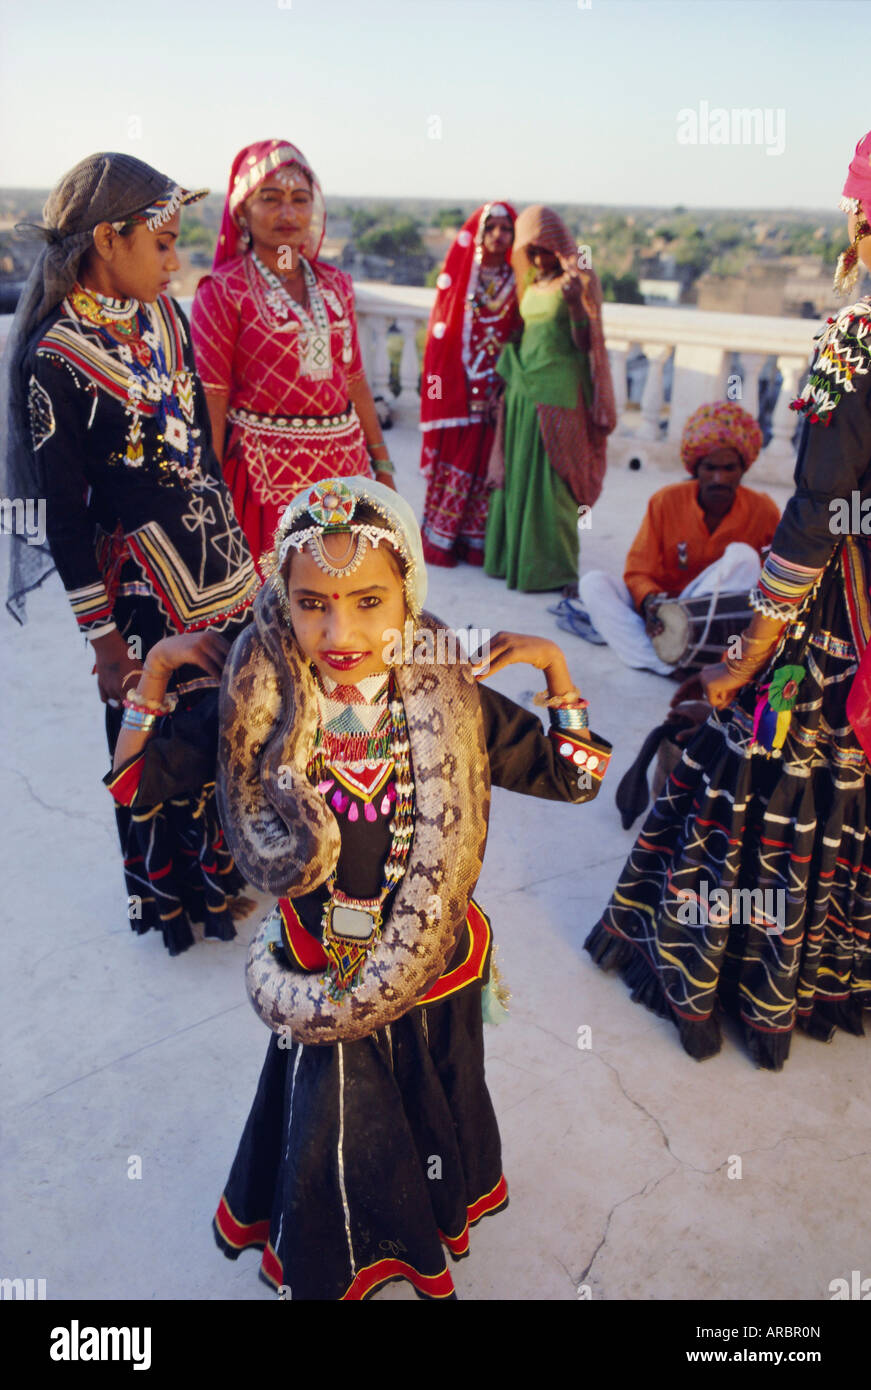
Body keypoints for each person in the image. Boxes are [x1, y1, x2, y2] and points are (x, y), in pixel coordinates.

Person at [209, 476, 613, 1300]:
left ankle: (419, 1227)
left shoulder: (454, 697)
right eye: (311, 603)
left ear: (408, 598)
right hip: (316, 961)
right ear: (281, 605)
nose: (339, 630)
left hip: (435, 966)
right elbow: (148, 783)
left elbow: (573, 783)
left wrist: (555, 669)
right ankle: (329, 1260)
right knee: (331, 1126)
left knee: (432, 1104)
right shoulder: (260, 696)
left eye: (367, 601)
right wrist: (153, 687)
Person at [584, 133, 871, 1070]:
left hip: (833, 613)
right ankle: (826, 974)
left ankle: (725, 985)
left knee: (761, 759)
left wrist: (746, 656)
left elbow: (819, 515)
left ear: (857, 222)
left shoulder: (853, 340)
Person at [1, 152, 260, 955]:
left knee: (227, 734)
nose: (175, 259)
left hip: (218, 565)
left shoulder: (167, 319)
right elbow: (64, 520)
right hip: (144, 597)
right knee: (159, 747)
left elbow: (199, 453)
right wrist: (104, 641)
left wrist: (240, 553)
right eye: (162, 243)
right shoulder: (57, 360)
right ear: (108, 240)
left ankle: (225, 882)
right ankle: (171, 902)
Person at [191, 139, 394, 569]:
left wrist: (383, 466)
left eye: (300, 200)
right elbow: (212, 395)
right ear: (242, 211)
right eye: (270, 200)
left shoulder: (336, 284)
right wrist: (208, 489)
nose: (288, 213)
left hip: (345, 472)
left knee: (347, 595)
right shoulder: (223, 291)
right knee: (276, 608)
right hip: (263, 479)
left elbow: (355, 379)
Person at [577, 401, 781, 673]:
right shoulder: (665, 502)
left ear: (743, 469)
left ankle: (676, 652)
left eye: (729, 468)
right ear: (695, 469)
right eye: (710, 468)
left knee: (742, 557)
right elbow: (637, 572)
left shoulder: (763, 510)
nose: (719, 478)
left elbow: (774, 579)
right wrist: (652, 603)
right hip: (663, 611)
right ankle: (665, 661)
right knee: (593, 584)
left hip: (711, 620)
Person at [484, 205, 616, 595]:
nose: (540, 257)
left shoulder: (579, 281)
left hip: (560, 394)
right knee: (518, 477)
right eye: (532, 250)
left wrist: (576, 303)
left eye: (546, 249)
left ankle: (551, 570)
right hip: (524, 389)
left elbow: (584, 343)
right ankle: (511, 560)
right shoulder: (530, 283)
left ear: (560, 245)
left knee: (554, 483)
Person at [419, 202, 519, 567]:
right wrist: (441, 391)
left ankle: (477, 543)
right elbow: (440, 334)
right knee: (457, 457)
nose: (497, 235)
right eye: (490, 227)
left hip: (496, 387)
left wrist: (507, 388)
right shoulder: (464, 276)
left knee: (486, 462)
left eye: (505, 228)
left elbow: (520, 335)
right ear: (478, 234)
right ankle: (441, 539)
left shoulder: (517, 280)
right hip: (459, 385)